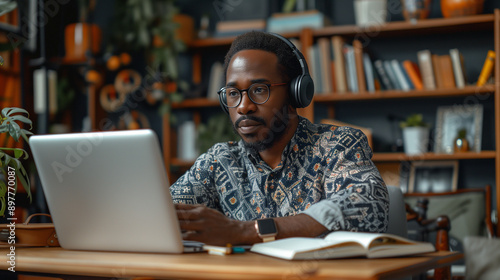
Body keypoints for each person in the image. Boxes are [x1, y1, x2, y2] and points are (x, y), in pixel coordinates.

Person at [170, 31, 389, 246]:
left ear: (296, 92)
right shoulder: (220, 161)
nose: (244, 107)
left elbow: (366, 208)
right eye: (233, 93)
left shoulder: (338, 145)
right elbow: (161, 213)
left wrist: (243, 231)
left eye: (259, 89)